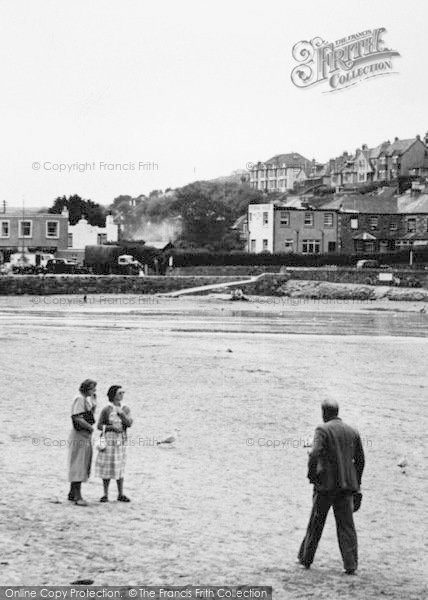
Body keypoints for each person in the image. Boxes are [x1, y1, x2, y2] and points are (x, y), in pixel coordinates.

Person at [298, 400, 365, 574]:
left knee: (316, 522)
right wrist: (357, 484)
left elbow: (314, 454)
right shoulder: (352, 431)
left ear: (324, 412)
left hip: (326, 486)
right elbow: (360, 460)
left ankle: (306, 558)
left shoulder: (322, 430)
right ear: (337, 411)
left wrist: (312, 476)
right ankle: (351, 565)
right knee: (346, 526)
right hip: (346, 487)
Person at [95, 385, 133, 502]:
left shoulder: (125, 408)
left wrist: (121, 414)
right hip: (108, 440)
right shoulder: (107, 409)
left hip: (120, 441)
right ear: (114, 395)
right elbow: (99, 425)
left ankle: (120, 493)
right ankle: (105, 494)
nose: (122, 395)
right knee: (107, 466)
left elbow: (129, 424)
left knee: (119, 466)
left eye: (123, 393)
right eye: (119, 393)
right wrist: (111, 428)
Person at [68, 379, 97, 506]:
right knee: (79, 463)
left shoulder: (84, 400)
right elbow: (77, 417)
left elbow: (88, 416)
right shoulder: (80, 399)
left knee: (81, 462)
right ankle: (77, 496)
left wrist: (94, 405)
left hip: (83, 435)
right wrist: (90, 427)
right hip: (80, 435)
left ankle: (72, 492)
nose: (94, 391)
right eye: (92, 388)